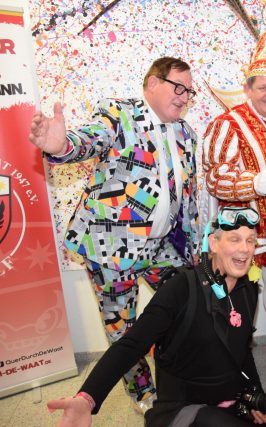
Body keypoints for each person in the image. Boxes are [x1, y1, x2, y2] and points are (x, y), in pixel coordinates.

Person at [28, 57, 199, 411]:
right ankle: (144, 396)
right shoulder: (119, 114)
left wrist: (194, 246)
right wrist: (61, 146)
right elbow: (88, 140)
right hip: (109, 248)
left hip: (161, 247)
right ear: (153, 83)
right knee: (124, 329)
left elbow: (189, 197)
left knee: (187, 307)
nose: (184, 97)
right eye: (178, 87)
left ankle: (180, 376)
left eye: (189, 91)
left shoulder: (186, 133)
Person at [46, 207, 266, 427]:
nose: (245, 249)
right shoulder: (181, 287)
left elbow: (242, 350)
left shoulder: (248, 288)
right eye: (234, 239)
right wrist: (88, 398)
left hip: (231, 400)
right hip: (185, 407)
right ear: (213, 243)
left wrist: (255, 395)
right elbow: (130, 345)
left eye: (250, 241)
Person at [203, 29, 266, 360]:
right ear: (248, 89)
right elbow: (214, 176)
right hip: (244, 227)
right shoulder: (229, 123)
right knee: (239, 289)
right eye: (263, 88)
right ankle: (234, 348)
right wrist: (251, 183)